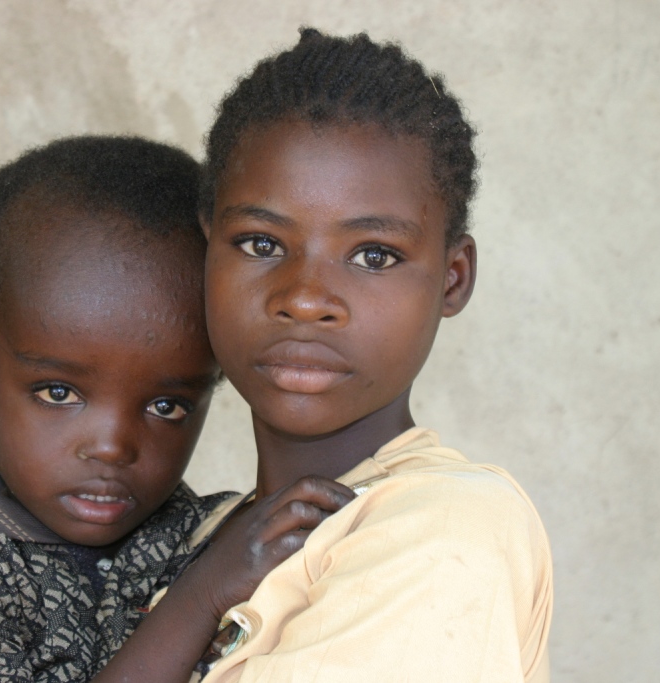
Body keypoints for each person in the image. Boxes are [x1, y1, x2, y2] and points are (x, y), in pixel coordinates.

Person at [119, 28, 554, 682]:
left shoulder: (445, 531)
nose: (304, 297)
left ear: (452, 278)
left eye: (373, 255)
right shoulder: (206, 532)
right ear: (207, 250)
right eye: (261, 243)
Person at [0, 136, 352, 682]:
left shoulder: (209, 533)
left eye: (167, 405)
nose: (113, 446)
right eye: (58, 392)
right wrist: (202, 594)